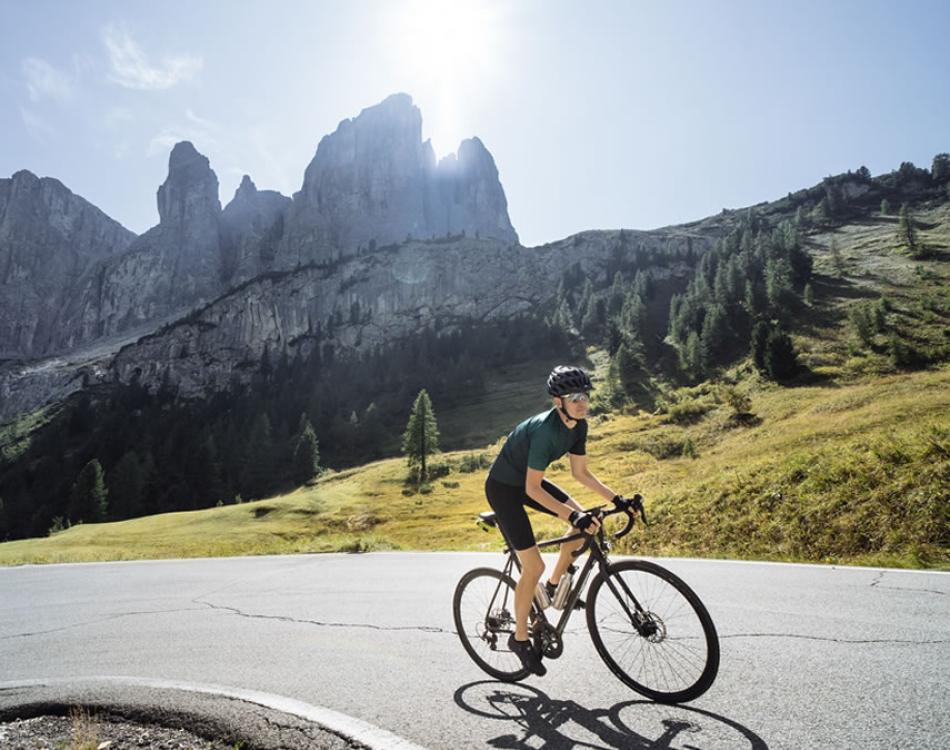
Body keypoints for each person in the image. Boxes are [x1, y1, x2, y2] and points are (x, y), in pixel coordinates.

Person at [484, 365, 625, 676]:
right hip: (504, 488)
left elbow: (581, 474)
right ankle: (520, 639)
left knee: (585, 522)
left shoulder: (579, 426)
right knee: (533, 565)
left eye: (585, 396)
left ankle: (552, 588)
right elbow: (532, 489)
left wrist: (617, 500)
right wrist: (572, 512)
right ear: (558, 401)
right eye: (574, 397)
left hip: (527, 481)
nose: (582, 402)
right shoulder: (545, 430)